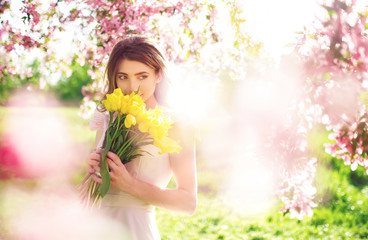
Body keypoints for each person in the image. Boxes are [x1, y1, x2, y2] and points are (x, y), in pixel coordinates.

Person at [86, 35, 197, 240]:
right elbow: (99, 186)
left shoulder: (176, 123)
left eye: (142, 76)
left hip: (137, 230)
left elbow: (188, 202)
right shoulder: (107, 115)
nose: (132, 87)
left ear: (158, 74)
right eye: (123, 77)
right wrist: (94, 169)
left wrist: (130, 184)